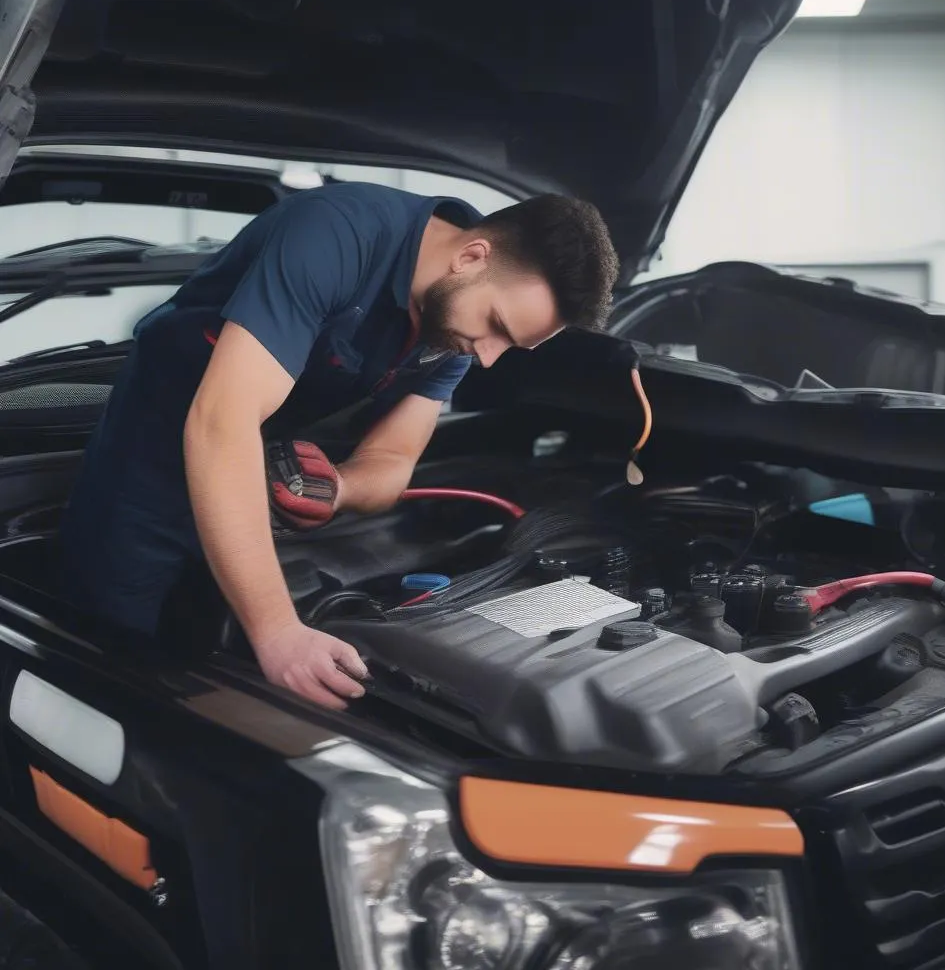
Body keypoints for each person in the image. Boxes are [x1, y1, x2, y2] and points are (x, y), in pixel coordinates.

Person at [58, 181, 619, 708]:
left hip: (259, 471)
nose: (488, 356)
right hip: (151, 462)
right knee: (115, 669)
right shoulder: (335, 235)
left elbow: (394, 459)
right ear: (471, 256)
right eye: (495, 325)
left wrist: (339, 488)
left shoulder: (454, 323)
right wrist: (277, 631)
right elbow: (221, 424)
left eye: (511, 344)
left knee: (213, 649)